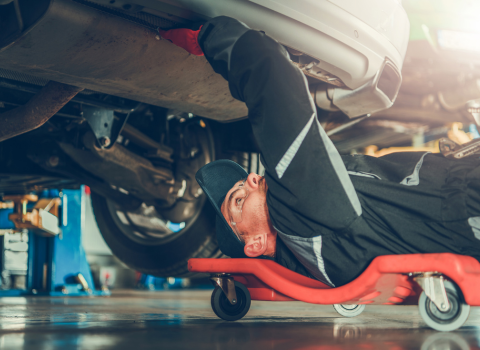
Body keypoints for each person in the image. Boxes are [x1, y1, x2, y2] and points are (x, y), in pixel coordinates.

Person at [160, 16, 480, 287]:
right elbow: (272, 76)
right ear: (255, 244)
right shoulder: (301, 218)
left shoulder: (316, 252)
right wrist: (208, 35)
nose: (254, 178)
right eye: (239, 200)